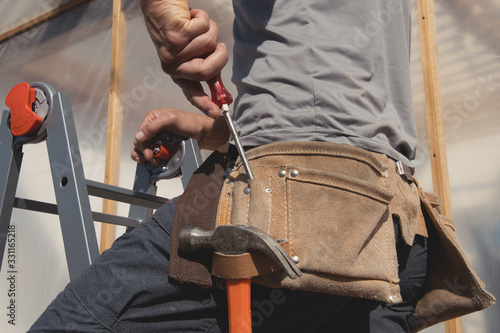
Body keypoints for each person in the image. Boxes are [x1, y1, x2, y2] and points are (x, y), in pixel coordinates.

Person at [29, 0, 493, 332]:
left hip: (296, 212)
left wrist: (158, 13)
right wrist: (203, 128)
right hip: (393, 237)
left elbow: (315, 132)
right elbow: (337, 112)